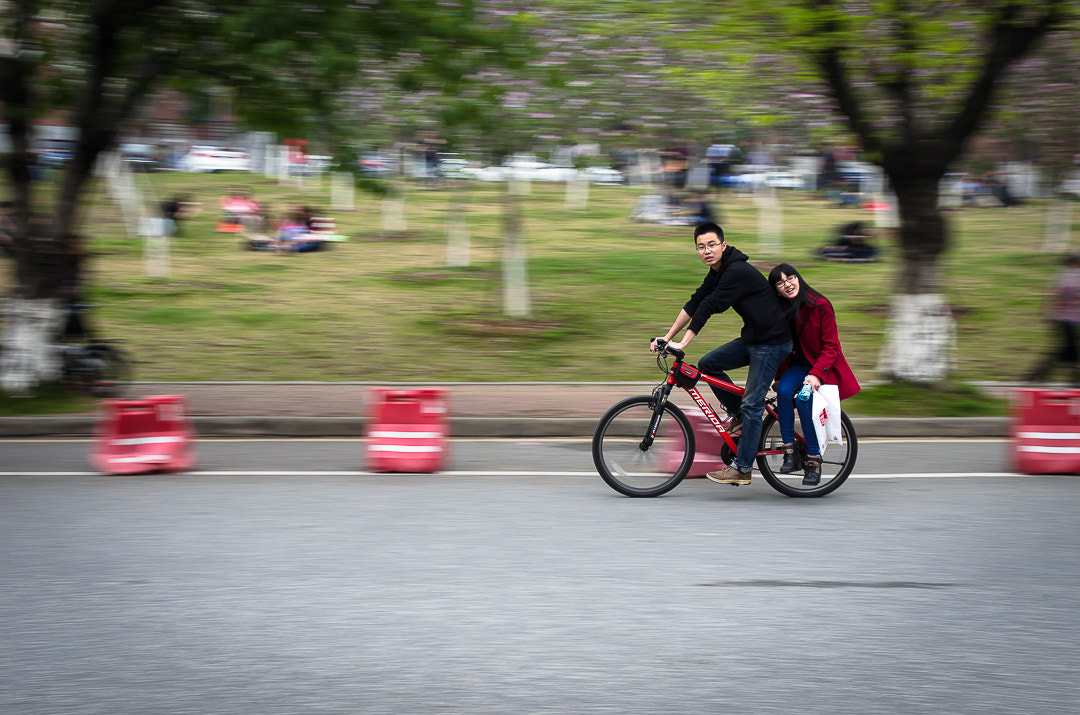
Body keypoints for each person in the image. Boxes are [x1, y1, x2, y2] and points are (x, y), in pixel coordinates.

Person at [651, 222, 792, 485]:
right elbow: (695, 301)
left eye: (712, 245)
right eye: (701, 247)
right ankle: (738, 415)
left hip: (772, 343)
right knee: (708, 363)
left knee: (753, 404)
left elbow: (710, 306)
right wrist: (667, 337)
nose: (707, 250)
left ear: (723, 246)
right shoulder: (718, 271)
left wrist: (683, 344)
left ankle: (743, 467)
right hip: (754, 338)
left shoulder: (735, 271)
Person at [767, 263, 861, 485]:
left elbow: (831, 347)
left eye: (790, 278)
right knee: (783, 390)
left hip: (822, 365)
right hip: (800, 364)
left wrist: (817, 375)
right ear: (777, 290)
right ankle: (789, 452)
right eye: (780, 283)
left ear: (798, 278)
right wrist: (780, 375)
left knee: (803, 399)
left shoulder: (820, 305)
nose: (787, 284)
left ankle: (813, 462)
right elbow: (786, 347)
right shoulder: (785, 311)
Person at [1025, 253, 1080, 385]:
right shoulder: (1068, 276)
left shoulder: (1066, 274)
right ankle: (1036, 376)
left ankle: (1037, 375)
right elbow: (1060, 296)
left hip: (1067, 318)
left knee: (1067, 350)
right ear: (1074, 262)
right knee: (1068, 350)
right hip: (1065, 319)